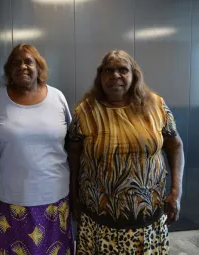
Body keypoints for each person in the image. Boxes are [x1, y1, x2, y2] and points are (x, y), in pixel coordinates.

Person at [68, 50, 184, 254]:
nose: (115, 76)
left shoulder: (156, 105)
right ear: (100, 75)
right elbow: (74, 155)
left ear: (134, 75)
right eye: (109, 70)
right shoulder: (85, 112)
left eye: (123, 70)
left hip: (147, 219)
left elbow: (175, 145)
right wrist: (74, 197)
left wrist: (176, 191)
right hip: (99, 221)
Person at [0, 44, 74, 255]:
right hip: (11, 200)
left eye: (29, 61)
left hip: (54, 198)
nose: (23, 66)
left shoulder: (57, 98)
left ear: (39, 67)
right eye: (16, 63)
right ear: (9, 70)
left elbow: (72, 143)